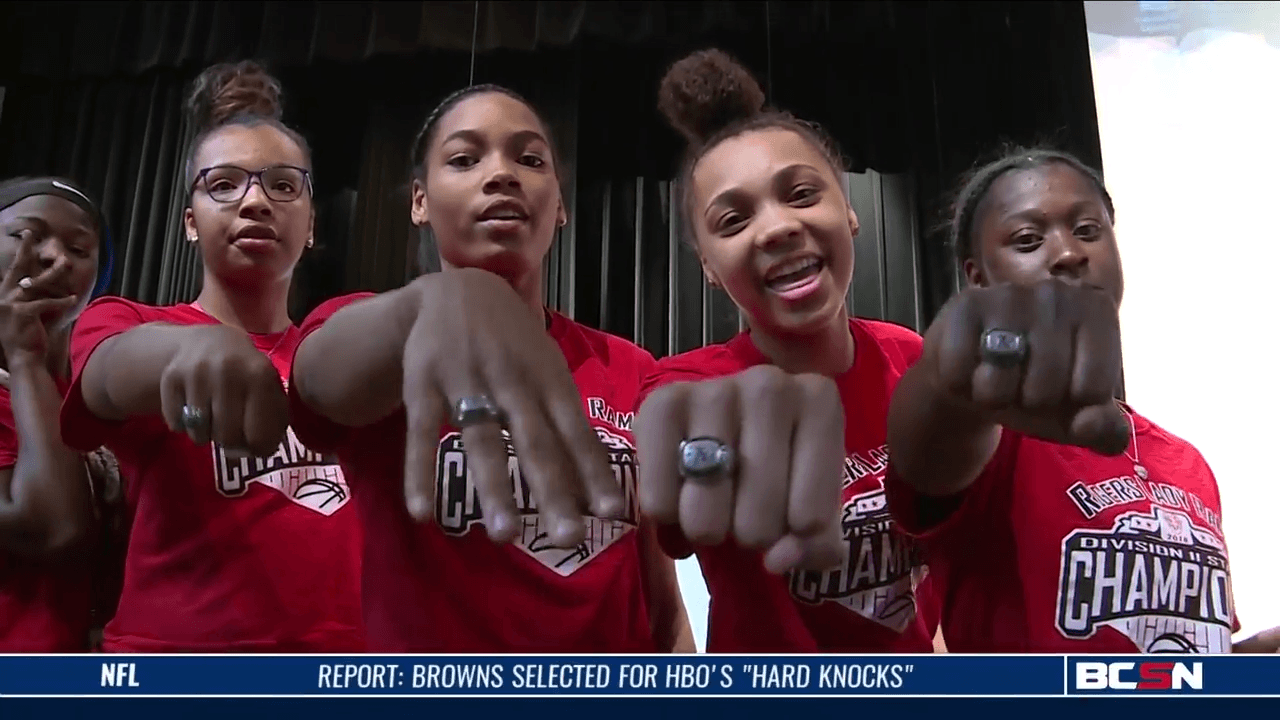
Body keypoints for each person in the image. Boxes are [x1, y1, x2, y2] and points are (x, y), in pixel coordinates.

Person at [288, 84, 694, 652]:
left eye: (530, 159)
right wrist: (430, 304)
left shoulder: (629, 367)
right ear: (420, 202)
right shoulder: (377, 336)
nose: (502, 174)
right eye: (464, 159)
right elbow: (317, 382)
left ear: (559, 207)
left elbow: (663, 609)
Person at [884, 145, 1280, 653]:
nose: (1069, 253)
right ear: (978, 278)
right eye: (1028, 240)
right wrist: (959, 385)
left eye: (1088, 230)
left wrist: (1251, 661)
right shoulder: (983, 440)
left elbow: (1186, 656)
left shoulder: (1187, 462)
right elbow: (932, 446)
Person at [630, 49, 939, 653]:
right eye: (733, 220)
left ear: (849, 212)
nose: (776, 228)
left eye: (800, 194)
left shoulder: (910, 360)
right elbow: (676, 513)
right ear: (709, 267)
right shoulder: (686, 390)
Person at [57, 61, 364, 653]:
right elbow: (105, 374)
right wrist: (192, 345)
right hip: (179, 670)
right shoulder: (126, 321)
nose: (255, 201)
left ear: (312, 223)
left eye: (283, 185)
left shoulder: (333, 345)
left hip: (340, 670)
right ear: (190, 223)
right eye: (224, 185)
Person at [0, 175, 119, 651]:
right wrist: (25, 358)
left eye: (79, 249)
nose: (58, 258)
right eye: (25, 234)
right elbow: (55, 530)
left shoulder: (92, 404)